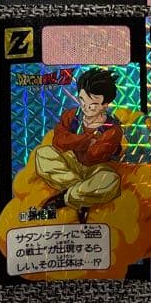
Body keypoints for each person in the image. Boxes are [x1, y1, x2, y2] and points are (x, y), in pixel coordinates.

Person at [36, 69, 123, 224]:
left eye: (93, 104)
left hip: (97, 169)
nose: (85, 107)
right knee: (43, 154)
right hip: (71, 161)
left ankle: (65, 198)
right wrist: (87, 139)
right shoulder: (71, 115)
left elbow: (92, 157)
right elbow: (59, 141)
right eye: (82, 100)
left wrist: (73, 140)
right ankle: (81, 196)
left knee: (112, 181)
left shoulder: (113, 129)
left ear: (105, 105)